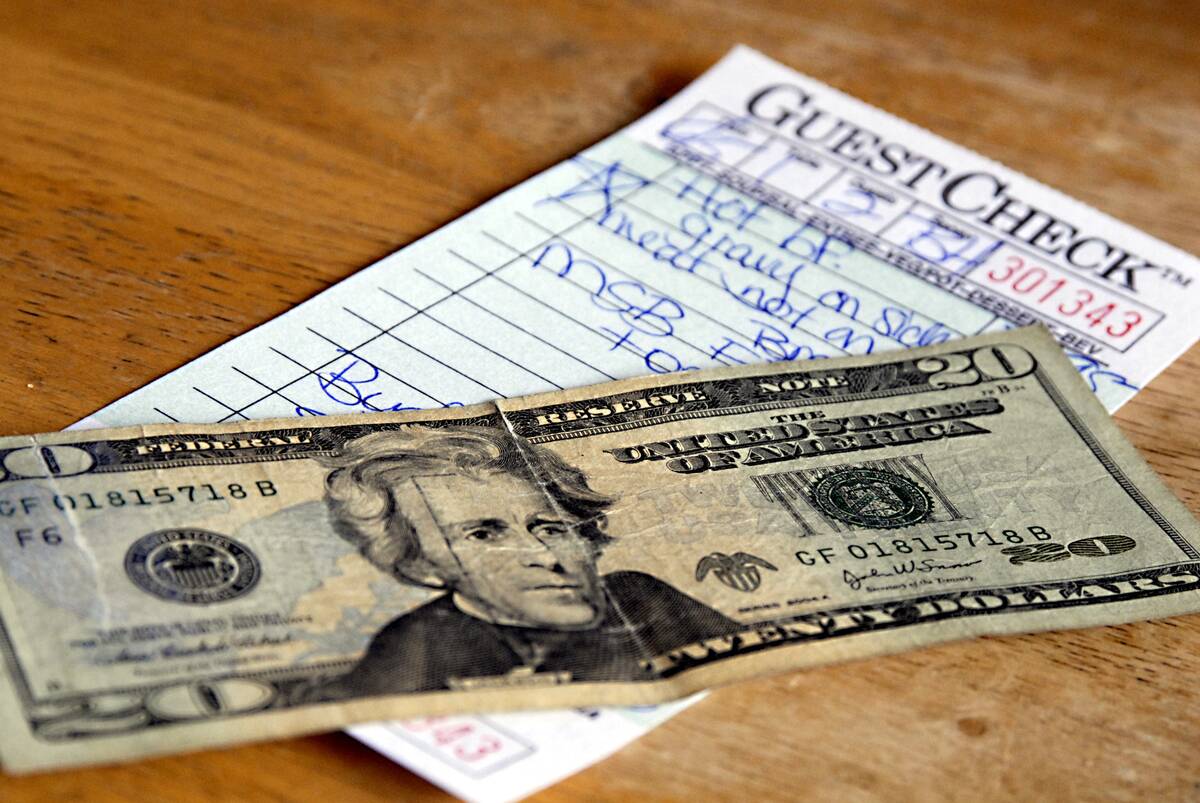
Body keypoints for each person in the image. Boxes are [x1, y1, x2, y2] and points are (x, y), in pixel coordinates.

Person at [316, 424, 736, 697]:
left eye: (551, 528)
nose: (543, 555)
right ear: (419, 564)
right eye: (482, 534)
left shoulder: (642, 595)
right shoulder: (413, 650)